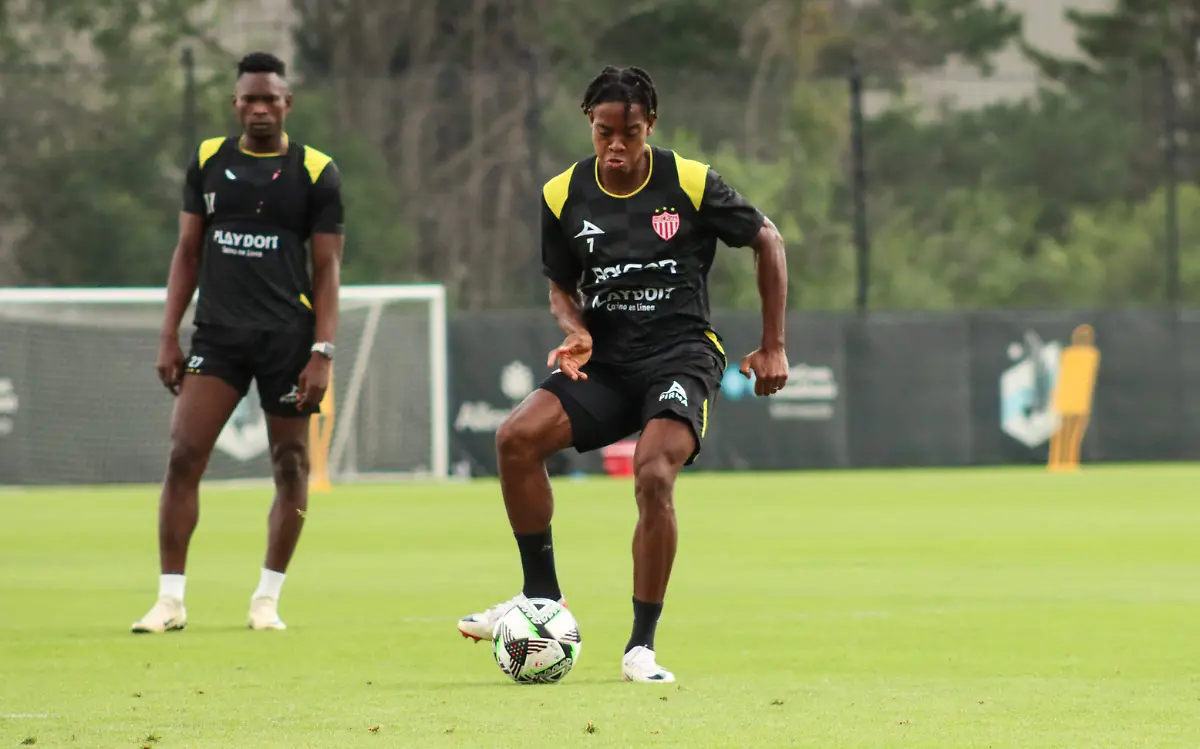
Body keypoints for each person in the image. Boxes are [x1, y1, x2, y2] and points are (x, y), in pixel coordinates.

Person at [457, 66, 789, 682]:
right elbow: (560, 282)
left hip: (680, 353)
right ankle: (541, 600)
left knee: (653, 471)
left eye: (629, 134)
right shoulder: (562, 194)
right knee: (515, 439)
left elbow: (768, 239)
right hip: (605, 361)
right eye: (604, 132)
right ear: (590, 124)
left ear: (650, 127)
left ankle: (641, 647)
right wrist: (576, 329)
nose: (615, 146)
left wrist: (773, 346)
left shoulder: (688, 181)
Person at [131, 52, 344, 634]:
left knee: (291, 463)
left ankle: (266, 599)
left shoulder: (316, 171)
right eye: (249, 99)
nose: (259, 108)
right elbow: (187, 253)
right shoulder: (207, 161)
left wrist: (322, 351)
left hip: (288, 341)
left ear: (287, 104)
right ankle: (170, 600)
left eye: (269, 99)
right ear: (235, 104)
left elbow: (326, 272)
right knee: (183, 454)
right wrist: (168, 335)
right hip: (218, 339)